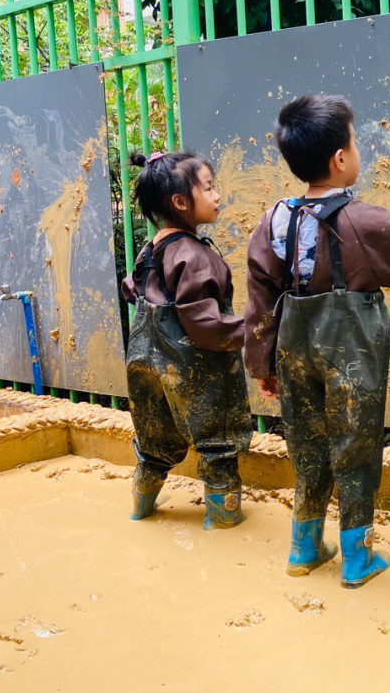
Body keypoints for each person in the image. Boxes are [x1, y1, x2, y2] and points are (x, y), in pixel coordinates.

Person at [245, 94, 390, 588]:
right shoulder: (362, 221)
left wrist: (262, 364)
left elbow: (259, 300)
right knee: (356, 445)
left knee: (306, 445)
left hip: (293, 350)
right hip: (350, 352)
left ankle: (303, 547)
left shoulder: (275, 220)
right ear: (341, 159)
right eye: (355, 143)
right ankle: (357, 556)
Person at [122, 150, 252, 530]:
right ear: (180, 202)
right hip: (190, 366)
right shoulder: (193, 255)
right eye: (208, 188)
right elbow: (205, 325)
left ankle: (141, 507)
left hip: (144, 360)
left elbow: (133, 290)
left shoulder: (150, 249)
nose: (216, 196)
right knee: (217, 440)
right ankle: (224, 520)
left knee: (154, 437)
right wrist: (255, 326)